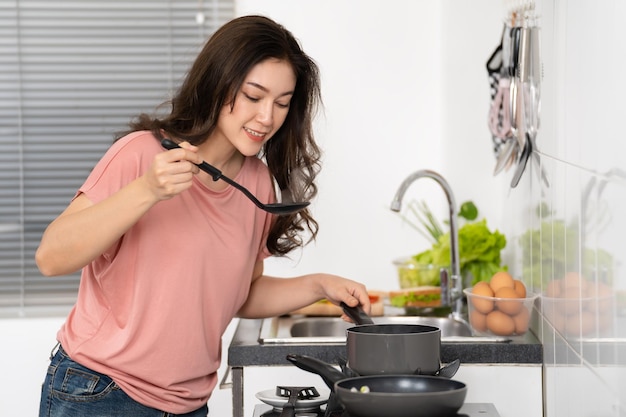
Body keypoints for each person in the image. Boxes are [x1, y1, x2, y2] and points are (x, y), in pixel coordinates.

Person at [35, 15, 371, 417]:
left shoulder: (259, 184)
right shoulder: (142, 154)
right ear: (218, 84)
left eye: (282, 103)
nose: (267, 117)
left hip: (188, 404)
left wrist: (319, 284)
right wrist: (146, 191)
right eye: (253, 96)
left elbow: (237, 294)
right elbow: (51, 258)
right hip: (102, 393)